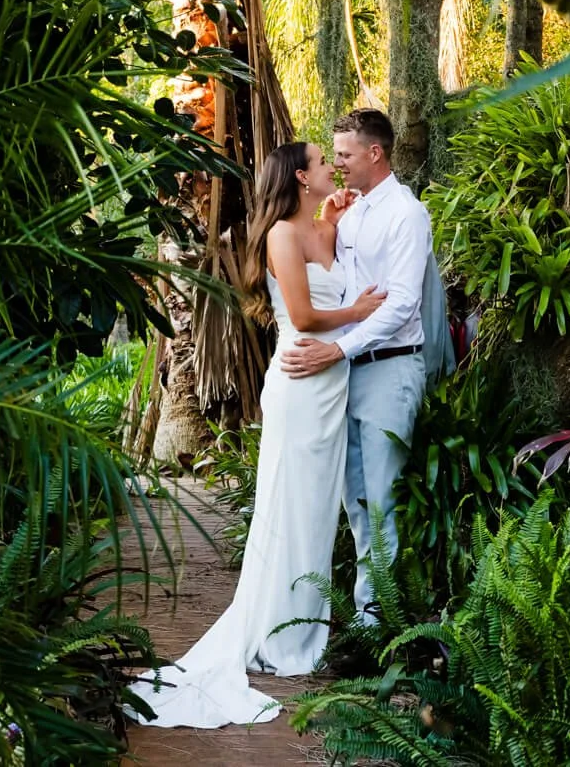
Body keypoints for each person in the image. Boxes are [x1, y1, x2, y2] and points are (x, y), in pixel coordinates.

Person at [128, 141, 384, 728]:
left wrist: (335, 219)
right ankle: (278, 631)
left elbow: (336, 264)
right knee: (289, 506)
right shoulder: (280, 238)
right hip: (300, 386)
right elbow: (306, 315)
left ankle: (304, 623)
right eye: (321, 162)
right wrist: (359, 312)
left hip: (332, 386)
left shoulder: (321, 229)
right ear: (301, 177)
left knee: (316, 511)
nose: (331, 168)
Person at [279, 108, 431, 625]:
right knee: (356, 498)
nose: (338, 163)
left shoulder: (406, 214)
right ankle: (370, 609)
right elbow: (341, 282)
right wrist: (330, 216)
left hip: (389, 368)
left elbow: (403, 302)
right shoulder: (353, 210)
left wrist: (339, 349)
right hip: (345, 373)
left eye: (344, 154)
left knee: (382, 496)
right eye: (334, 155)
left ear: (375, 153)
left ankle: (377, 618)